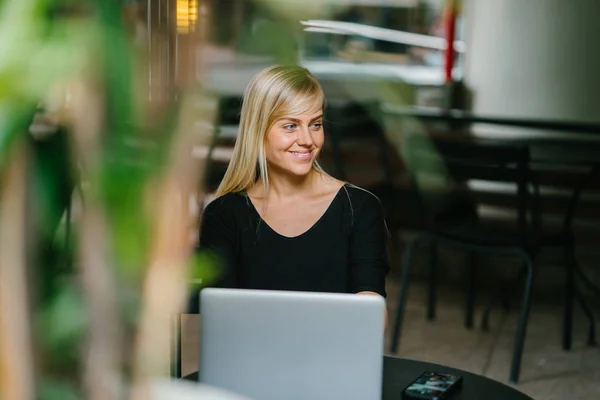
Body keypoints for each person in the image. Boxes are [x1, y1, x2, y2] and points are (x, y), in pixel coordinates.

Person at [190, 65, 390, 323]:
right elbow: (222, 318)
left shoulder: (360, 208)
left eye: (315, 124)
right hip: (253, 360)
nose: (307, 139)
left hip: (333, 360)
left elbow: (371, 310)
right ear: (258, 131)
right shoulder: (224, 215)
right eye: (290, 126)